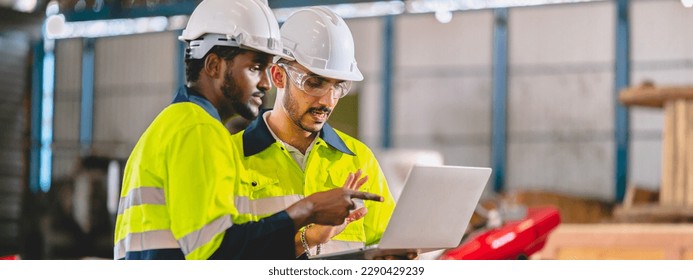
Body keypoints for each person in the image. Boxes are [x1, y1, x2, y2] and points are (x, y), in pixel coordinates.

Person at [113, 0, 382, 260]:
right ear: (214, 65)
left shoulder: (174, 123)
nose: (266, 83)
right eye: (255, 67)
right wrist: (308, 210)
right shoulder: (198, 129)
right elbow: (217, 255)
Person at [230, 7, 395, 258]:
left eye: (339, 86)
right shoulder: (229, 157)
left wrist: (397, 256)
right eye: (314, 83)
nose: (328, 101)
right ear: (278, 76)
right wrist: (305, 239)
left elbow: (383, 243)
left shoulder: (358, 159)